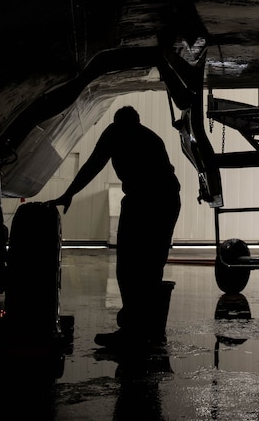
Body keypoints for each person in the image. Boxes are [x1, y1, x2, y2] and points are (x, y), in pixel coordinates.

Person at [52, 106, 181, 349]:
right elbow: (93, 165)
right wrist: (68, 193)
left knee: (132, 267)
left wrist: (69, 193)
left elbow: (92, 165)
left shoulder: (117, 134)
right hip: (164, 201)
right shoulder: (149, 137)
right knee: (150, 267)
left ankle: (135, 329)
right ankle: (144, 329)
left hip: (149, 200)